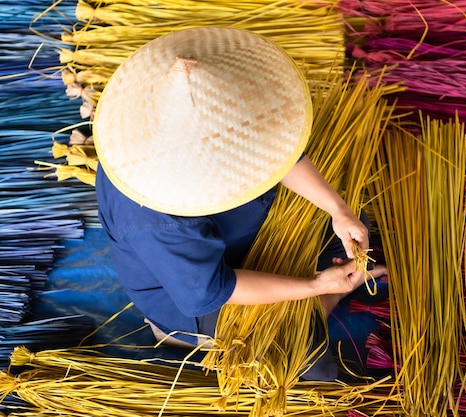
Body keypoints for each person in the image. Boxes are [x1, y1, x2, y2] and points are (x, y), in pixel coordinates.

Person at [93, 27, 385, 381]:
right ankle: (321, 306)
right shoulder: (155, 212)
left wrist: (337, 208)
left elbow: (277, 150)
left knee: (356, 221)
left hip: (245, 229)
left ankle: (321, 290)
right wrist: (316, 287)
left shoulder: (212, 101)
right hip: (200, 292)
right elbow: (214, 288)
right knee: (302, 357)